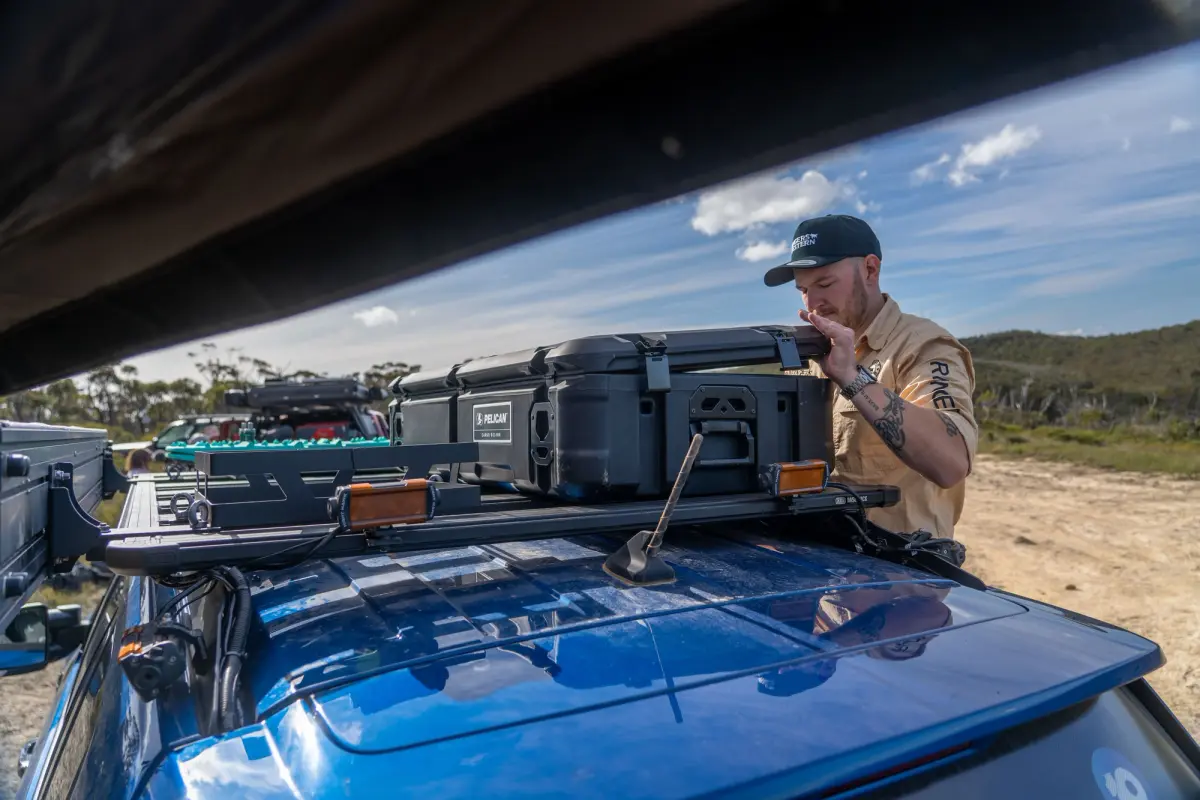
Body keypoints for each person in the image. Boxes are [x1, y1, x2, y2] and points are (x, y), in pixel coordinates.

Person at [762, 214, 978, 541]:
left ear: (870, 269)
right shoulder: (815, 354)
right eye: (803, 290)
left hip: (901, 563)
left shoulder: (923, 346)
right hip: (822, 559)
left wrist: (853, 379)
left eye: (825, 284)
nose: (813, 303)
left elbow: (951, 463)